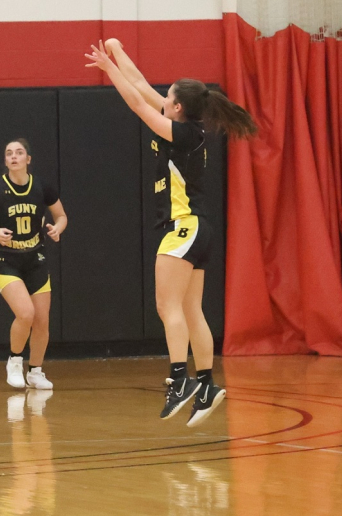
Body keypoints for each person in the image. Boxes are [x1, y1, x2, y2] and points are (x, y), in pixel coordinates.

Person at [85, 38, 257, 426]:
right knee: (192, 309)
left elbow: (136, 102)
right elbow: (142, 85)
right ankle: (208, 384)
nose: (162, 97)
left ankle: (180, 380)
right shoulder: (183, 126)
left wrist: (107, 68)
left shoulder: (182, 133)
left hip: (185, 226)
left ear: (177, 107)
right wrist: (117, 51)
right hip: (199, 227)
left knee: (168, 307)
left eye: (168, 96)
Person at [0, 139, 66, 390]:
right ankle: (14, 360)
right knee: (25, 313)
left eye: (19, 153)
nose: (13, 157)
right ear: (6, 160)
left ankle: (35, 371)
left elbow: (62, 215)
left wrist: (58, 228)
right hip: (4, 258)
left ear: (28, 159)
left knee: (42, 320)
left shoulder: (42, 187)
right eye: (9, 153)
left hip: (35, 257)